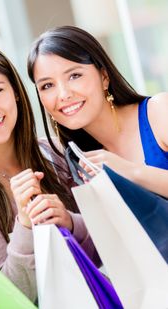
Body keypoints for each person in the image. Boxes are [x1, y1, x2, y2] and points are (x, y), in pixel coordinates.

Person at [0, 39, 98, 302]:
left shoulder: (52, 152)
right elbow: (7, 299)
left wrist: (69, 222)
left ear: (15, 92)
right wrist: (25, 225)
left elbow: (105, 251)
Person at [27, 25, 168, 198]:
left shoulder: (159, 111)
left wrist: (131, 172)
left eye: (74, 76)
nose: (63, 95)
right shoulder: (80, 164)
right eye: (47, 86)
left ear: (104, 77)